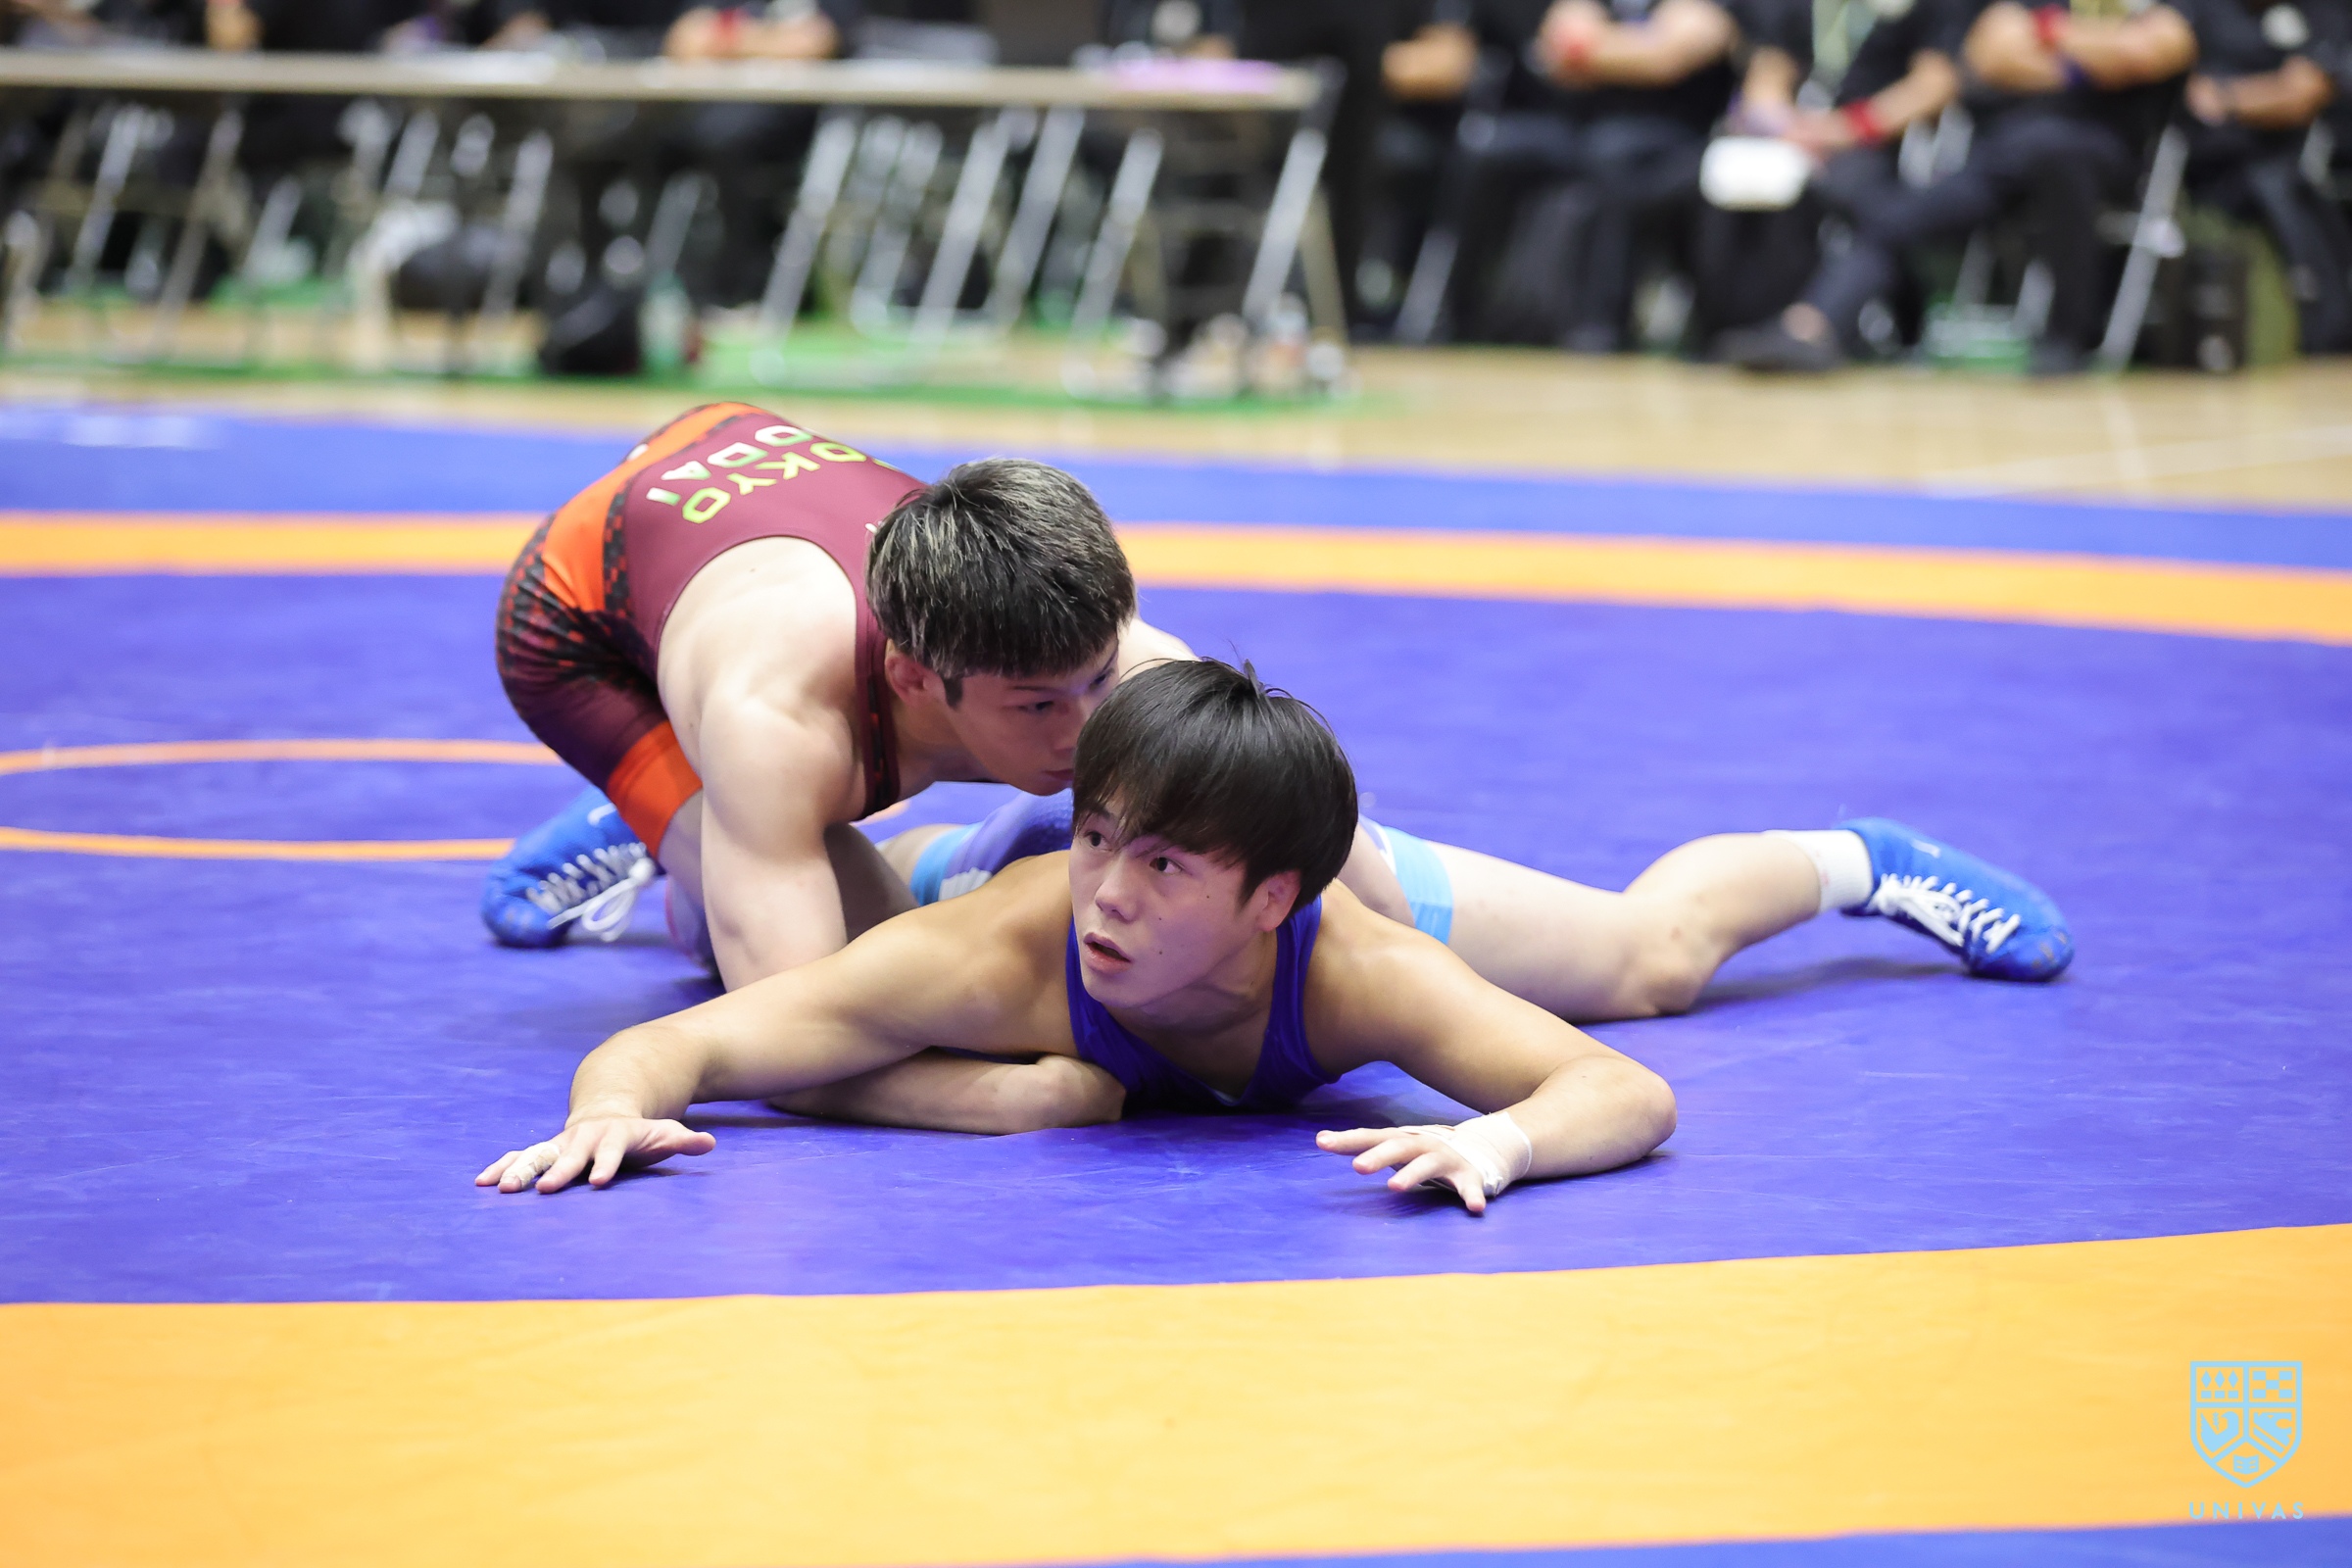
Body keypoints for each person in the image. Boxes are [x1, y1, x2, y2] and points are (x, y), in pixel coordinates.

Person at [478, 660, 2075, 1209]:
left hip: (1328, 861)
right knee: (806, 924)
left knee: (1650, 964)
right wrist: (609, 1110)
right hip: (980, 886)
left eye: (1159, 869)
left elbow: (1622, 1091)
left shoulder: (1358, 961)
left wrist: (1501, 1142)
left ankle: (1859, 863)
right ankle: (667, 832)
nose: (1112, 895)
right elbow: (680, 1048)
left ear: (1271, 901)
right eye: (1102, 844)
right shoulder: (1021, 943)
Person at [482, 403, 1193, 1115]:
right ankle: (676, 812)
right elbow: (785, 1032)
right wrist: (1010, 1098)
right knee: (887, 974)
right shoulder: (775, 721)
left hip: (737, 451)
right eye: (1036, 707)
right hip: (582, 614)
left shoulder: (1134, 665)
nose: (1085, 730)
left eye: (1101, 678)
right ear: (913, 679)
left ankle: (719, 841)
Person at [1727, 0, 2200, 374]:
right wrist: (2096, 60)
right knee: (1892, 215)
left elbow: (2150, 53)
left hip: (2102, 154)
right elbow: (1989, 55)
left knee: (2059, 155)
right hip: (2003, 158)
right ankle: (1812, 328)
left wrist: (2045, 32)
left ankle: (2067, 340)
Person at [1698, 0, 1972, 348]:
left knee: (1867, 204)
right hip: (1798, 137)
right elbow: (1768, 73)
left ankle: (1811, 326)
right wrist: (1781, 125)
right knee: (1734, 181)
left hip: (1873, 143)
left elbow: (1934, 85)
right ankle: (1741, 326)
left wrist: (1847, 128)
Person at [2180, 0, 2350, 353]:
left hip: (2287, 167)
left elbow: (2301, 94)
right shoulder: (2206, 8)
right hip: (2202, 169)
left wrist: (2227, 97)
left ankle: (2324, 326)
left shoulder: (2322, 10)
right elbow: (2188, 89)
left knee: (2281, 186)